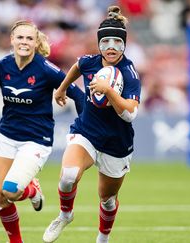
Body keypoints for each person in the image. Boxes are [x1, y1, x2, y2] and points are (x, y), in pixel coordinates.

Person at [0, 20, 84, 243]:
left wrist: (83, 130)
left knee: (12, 191)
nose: (24, 42)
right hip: (6, 136)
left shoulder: (46, 69)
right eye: (20, 37)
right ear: (12, 40)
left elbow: (78, 96)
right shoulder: (0, 66)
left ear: (36, 43)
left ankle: (32, 190)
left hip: (36, 140)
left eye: (29, 38)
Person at [43, 6, 141, 243]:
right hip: (86, 132)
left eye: (117, 42)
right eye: (105, 41)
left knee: (107, 199)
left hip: (116, 143)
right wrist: (63, 87)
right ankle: (65, 214)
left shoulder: (129, 74)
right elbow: (77, 66)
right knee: (68, 176)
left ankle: (102, 238)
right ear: (99, 44)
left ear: (124, 45)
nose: (111, 47)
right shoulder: (90, 62)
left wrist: (109, 91)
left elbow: (130, 114)